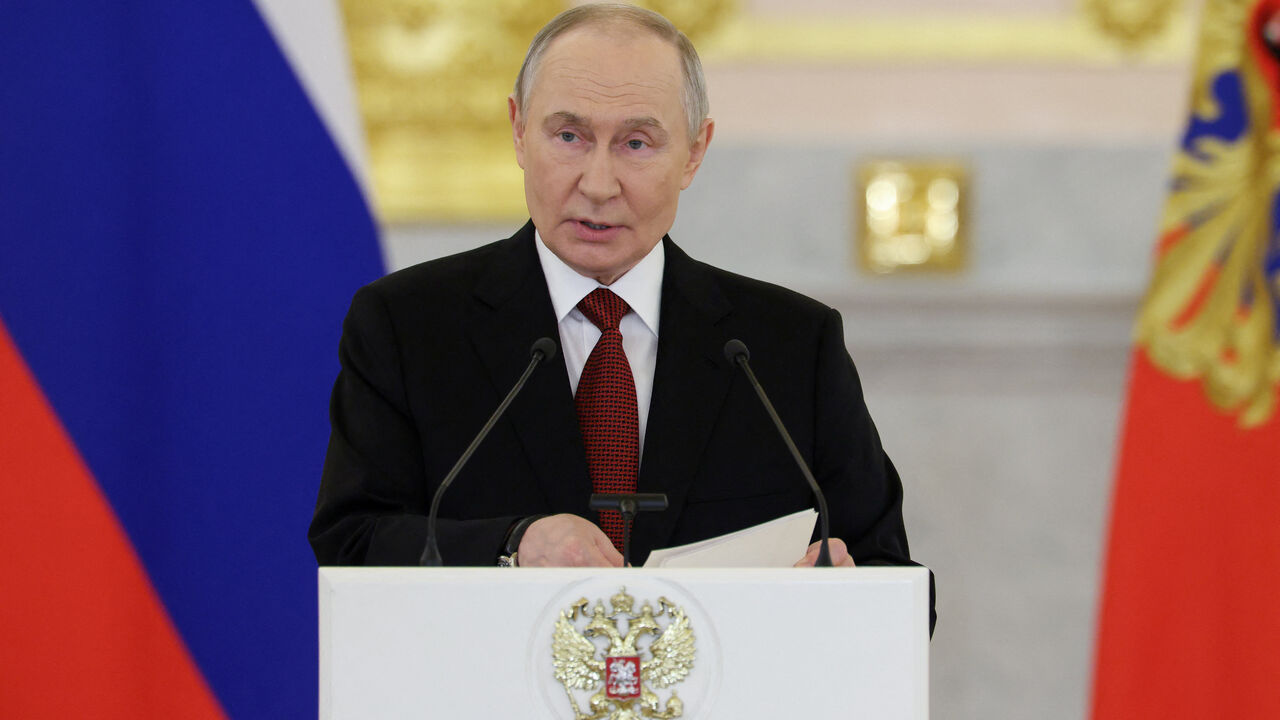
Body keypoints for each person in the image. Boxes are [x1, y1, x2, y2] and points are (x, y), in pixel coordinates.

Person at [310, 3, 921, 584]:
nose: (598, 184)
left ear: (694, 153)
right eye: (568, 136)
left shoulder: (788, 346)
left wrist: (845, 591)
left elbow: (892, 576)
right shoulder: (408, 325)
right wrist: (513, 545)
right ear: (519, 132)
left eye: (636, 143)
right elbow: (352, 545)